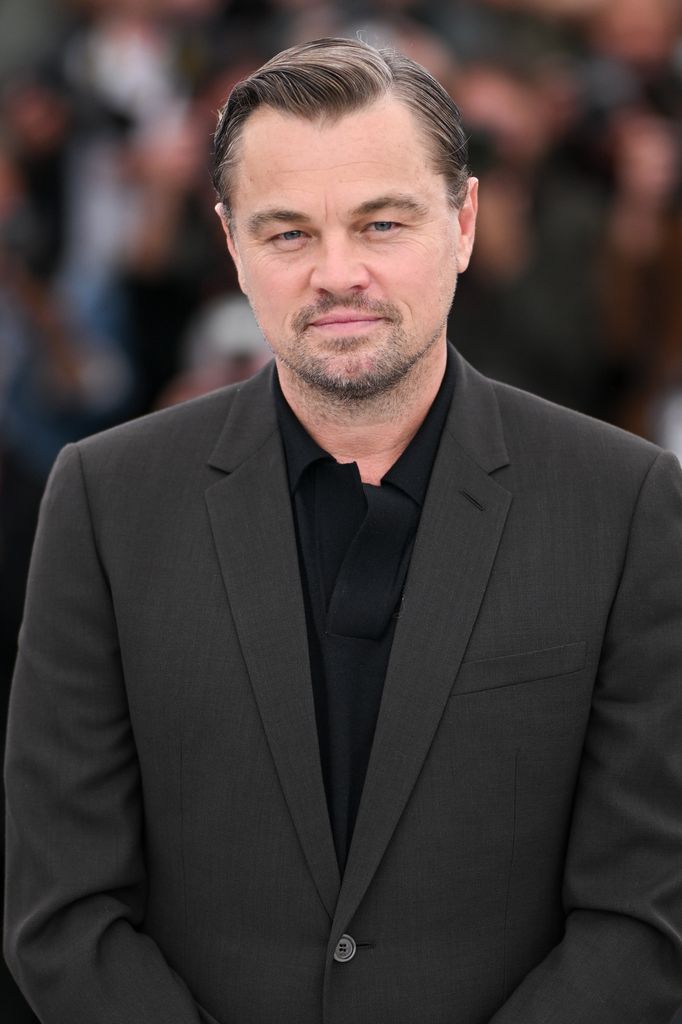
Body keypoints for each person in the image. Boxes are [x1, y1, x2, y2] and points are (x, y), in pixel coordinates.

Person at [4, 36, 682, 1024]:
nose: (337, 273)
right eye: (287, 234)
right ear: (230, 243)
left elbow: (647, 912)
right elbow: (61, 907)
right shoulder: (105, 500)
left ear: (463, 222)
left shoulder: (623, 505)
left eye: (380, 223)